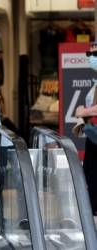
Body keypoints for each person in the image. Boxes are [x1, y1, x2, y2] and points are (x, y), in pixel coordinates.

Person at [75, 41, 97, 215]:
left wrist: (84, 111)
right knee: (90, 175)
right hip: (93, 136)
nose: (92, 59)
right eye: (90, 55)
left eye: (95, 55)